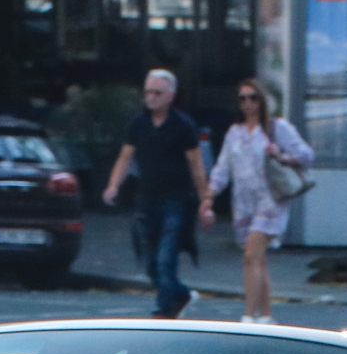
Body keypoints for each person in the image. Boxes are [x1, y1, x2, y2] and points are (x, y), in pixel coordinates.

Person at [100, 70, 210, 320]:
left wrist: (205, 201)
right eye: (148, 92)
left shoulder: (183, 125)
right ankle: (180, 294)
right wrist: (113, 185)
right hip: (146, 200)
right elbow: (125, 157)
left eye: (157, 93)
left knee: (165, 260)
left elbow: (196, 165)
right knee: (149, 262)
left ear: (170, 96)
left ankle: (163, 310)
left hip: (176, 200)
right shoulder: (138, 124)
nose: (151, 97)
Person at [204, 78, 312, 326]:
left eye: (253, 97)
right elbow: (223, 168)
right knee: (257, 259)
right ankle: (266, 315)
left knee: (251, 255)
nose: (247, 103)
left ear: (262, 100)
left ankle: (247, 315)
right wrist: (209, 197)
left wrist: (281, 155)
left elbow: (307, 155)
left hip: (270, 200)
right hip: (243, 203)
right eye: (242, 98)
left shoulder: (276, 128)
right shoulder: (235, 133)